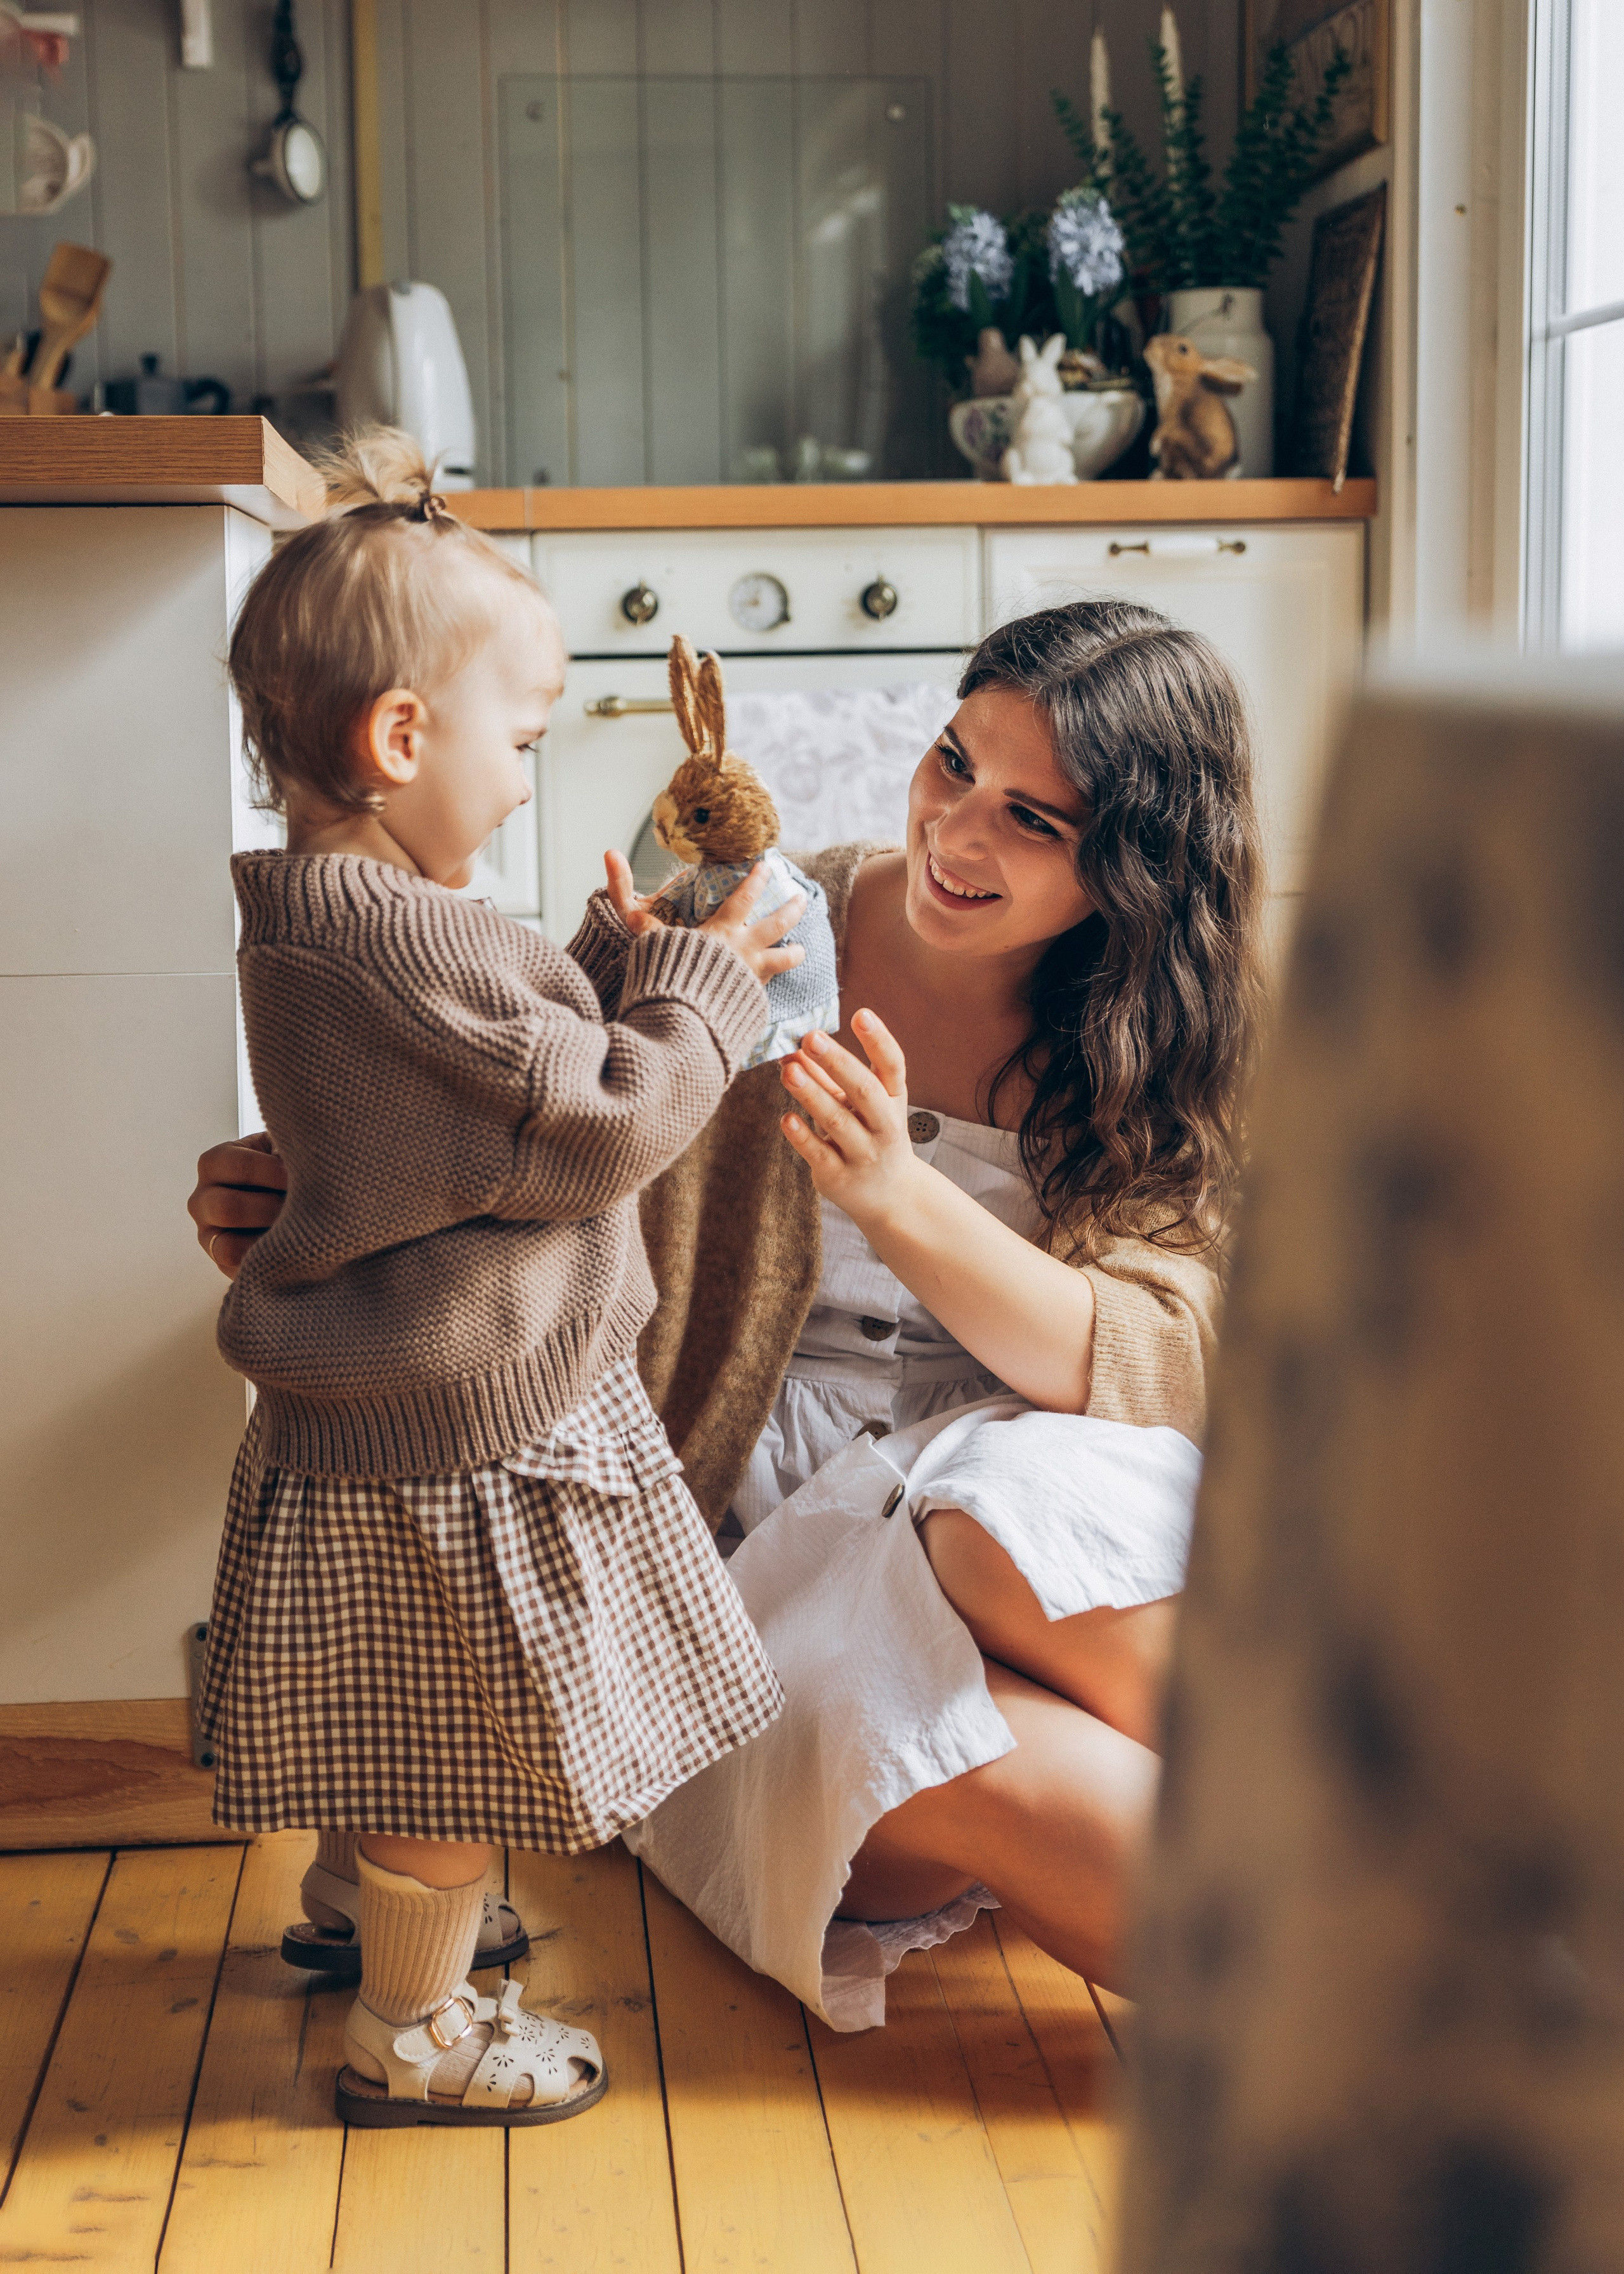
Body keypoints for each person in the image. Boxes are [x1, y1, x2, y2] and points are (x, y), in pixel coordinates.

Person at [193, 598, 1263, 2030]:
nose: (954, 833)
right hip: (740, 1538)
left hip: (1024, 1469)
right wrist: (323, 1199)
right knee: (978, 1766)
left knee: (987, 1528)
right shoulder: (748, 927)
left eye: (1034, 821)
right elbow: (511, 1146)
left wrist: (895, 1192)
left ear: (1137, 866)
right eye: (953, 762)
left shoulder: (1164, 1028)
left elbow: (1162, 1360)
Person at [199, 426, 805, 2125]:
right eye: (523, 740)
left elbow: (486, 1091)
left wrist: (618, 953)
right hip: (466, 1427)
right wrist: (692, 994)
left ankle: (366, 1916)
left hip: (398, 1407)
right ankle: (417, 2031)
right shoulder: (407, 936)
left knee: (396, 1713)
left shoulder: (347, 911)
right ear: (400, 739)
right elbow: (595, 1123)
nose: (534, 777)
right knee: (457, 1748)